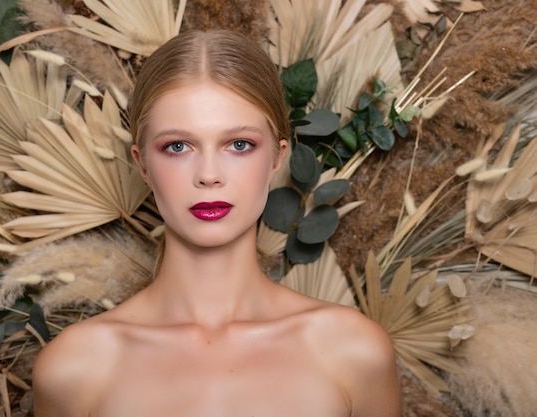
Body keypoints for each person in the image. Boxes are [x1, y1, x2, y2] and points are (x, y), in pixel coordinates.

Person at [32, 29, 401, 417]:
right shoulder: (74, 368)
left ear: (277, 158)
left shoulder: (354, 352)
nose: (209, 175)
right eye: (177, 146)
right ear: (142, 164)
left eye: (239, 145)